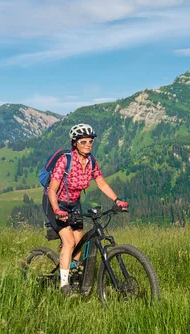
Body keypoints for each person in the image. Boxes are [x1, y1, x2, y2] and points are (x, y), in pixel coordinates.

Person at [42, 123, 128, 297]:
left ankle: (73, 274)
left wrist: (117, 200)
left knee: (79, 241)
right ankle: (64, 286)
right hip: (54, 203)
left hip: (74, 204)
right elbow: (52, 189)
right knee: (69, 242)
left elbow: (101, 183)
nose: (88, 144)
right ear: (75, 143)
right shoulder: (65, 161)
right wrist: (57, 210)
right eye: (83, 142)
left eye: (90, 141)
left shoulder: (91, 162)